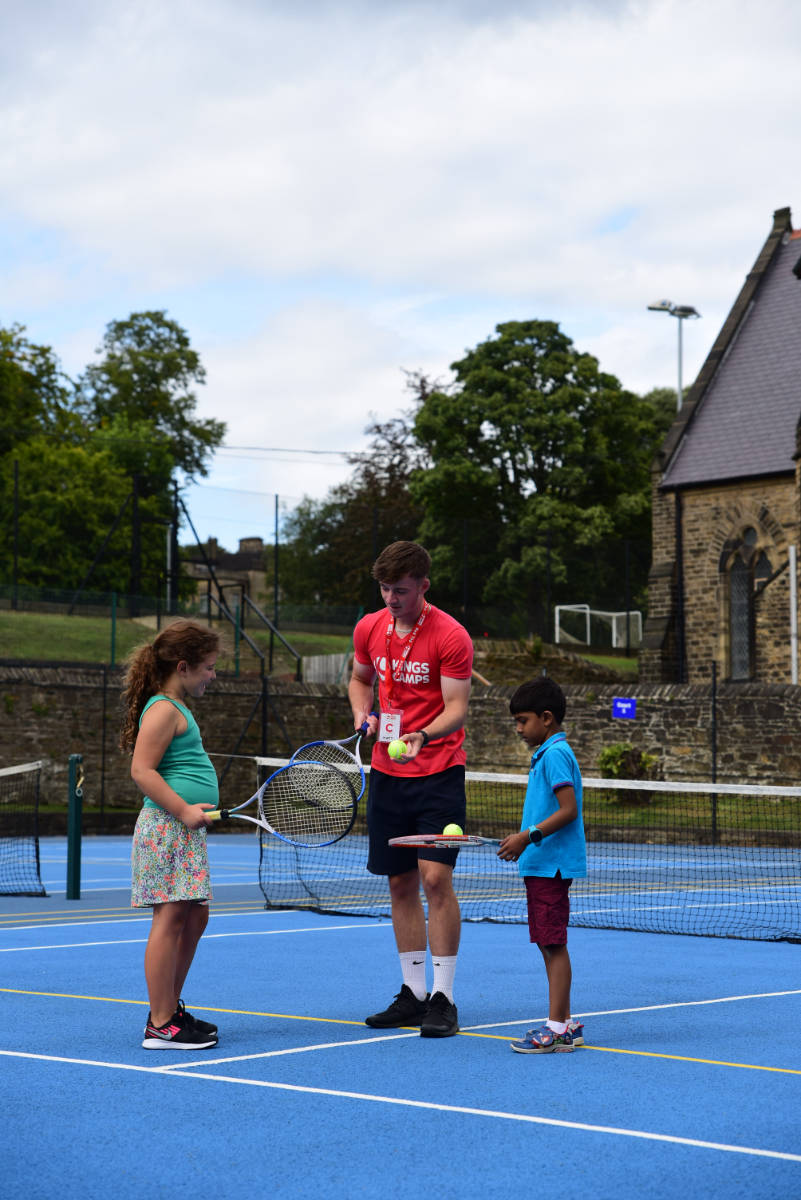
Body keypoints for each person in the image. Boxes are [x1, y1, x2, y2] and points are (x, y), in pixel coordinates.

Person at [349, 541, 473, 1038]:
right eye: (384, 589)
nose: (391, 598)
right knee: (399, 883)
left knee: (435, 881)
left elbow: (457, 707)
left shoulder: (451, 635)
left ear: (424, 585)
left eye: (400, 590)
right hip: (387, 775)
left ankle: (444, 998)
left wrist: (424, 734)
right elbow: (359, 681)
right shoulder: (369, 627)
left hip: (439, 773)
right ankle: (414, 994)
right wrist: (362, 713)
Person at [121, 619, 222, 1050]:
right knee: (169, 918)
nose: (212, 675)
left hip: (179, 829)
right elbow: (141, 770)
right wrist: (183, 809)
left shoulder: (174, 707)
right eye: (208, 668)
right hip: (166, 827)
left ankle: (168, 1007)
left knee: (194, 916)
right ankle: (160, 1023)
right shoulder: (163, 708)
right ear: (183, 666)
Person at [497, 677, 586, 1053]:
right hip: (541, 865)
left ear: (546, 718)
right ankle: (565, 1023)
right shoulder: (547, 754)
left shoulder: (554, 755)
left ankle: (556, 1030)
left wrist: (526, 837)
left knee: (553, 943)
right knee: (548, 944)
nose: (518, 729)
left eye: (523, 720)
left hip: (551, 865)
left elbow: (568, 810)